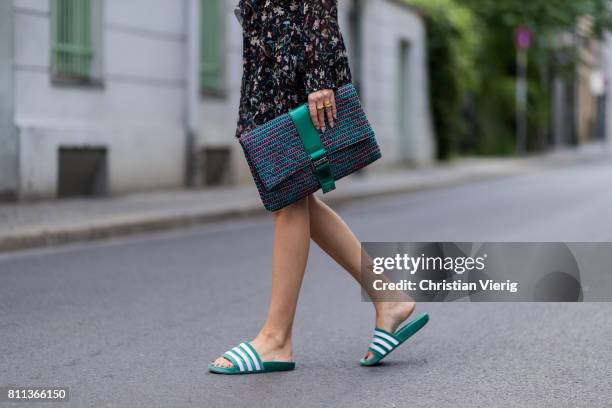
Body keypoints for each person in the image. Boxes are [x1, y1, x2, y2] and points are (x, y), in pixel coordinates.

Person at [209, 0, 423, 375]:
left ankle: (276, 339)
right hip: (271, 64)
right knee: (294, 195)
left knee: (288, 197)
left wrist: (320, 77)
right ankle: (387, 298)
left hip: (294, 66)